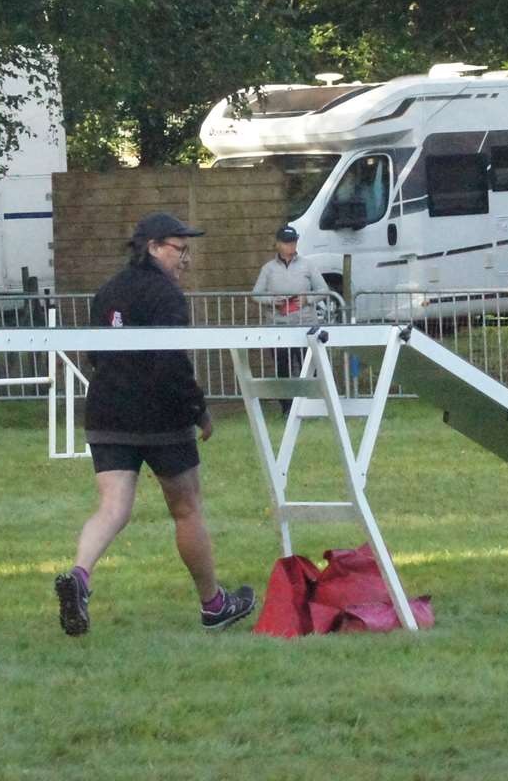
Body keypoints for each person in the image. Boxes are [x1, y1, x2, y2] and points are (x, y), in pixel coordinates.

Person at [55, 211, 256, 637]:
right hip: (158, 415)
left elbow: (96, 354)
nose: (186, 259)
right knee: (186, 509)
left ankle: (80, 576)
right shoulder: (166, 296)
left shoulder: (108, 290)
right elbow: (170, 362)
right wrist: (197, 409)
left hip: (107, 410)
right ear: (152, 247)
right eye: (179, 249)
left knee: (112, 508)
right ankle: (213, 605)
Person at [251, 224, 330, 408]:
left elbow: (323, 289)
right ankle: (287, 407)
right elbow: (256, 294)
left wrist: (307, 299)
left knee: (310, 366)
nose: (291, 246)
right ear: (278, 244)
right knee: (283, 368)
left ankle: (315, 405)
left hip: (305, 325)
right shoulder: (268, 269)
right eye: (287, 243)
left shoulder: (308, 265)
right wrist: (272, 301)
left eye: (293, 242)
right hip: (278, 326)